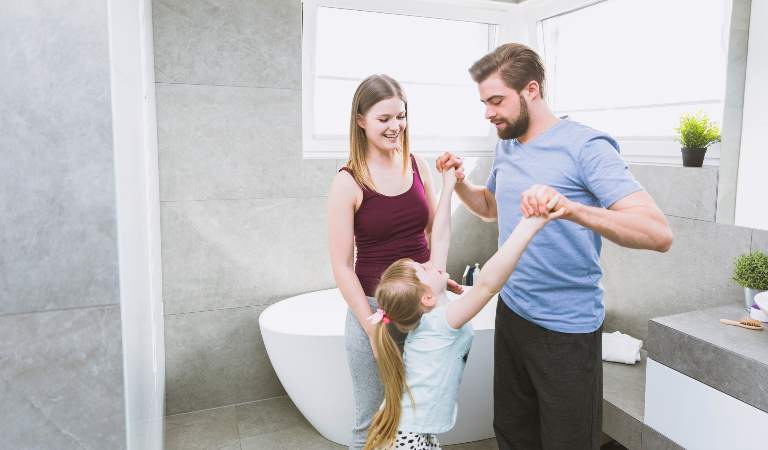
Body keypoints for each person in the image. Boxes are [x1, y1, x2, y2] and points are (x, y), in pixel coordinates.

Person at [437, 43, 674, 450]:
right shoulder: (507, 143)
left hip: (565, 329)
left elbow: (657, 233)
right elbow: (493, 208)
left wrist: (571, 210)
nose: (488, 113)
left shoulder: (586, 147)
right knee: (513, 434)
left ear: (531, 90)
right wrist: (460, 184)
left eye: (496, 101)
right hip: (512, 313)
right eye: (484, 102)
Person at [364, 168, 564, 450]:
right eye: (424, 268)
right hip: (407, 438)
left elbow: (441, 237)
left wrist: (448, 186)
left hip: (406, 429)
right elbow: (486, 286)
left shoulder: (432, 311)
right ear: (427, 298)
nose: (429, 263)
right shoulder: (442, 320)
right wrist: (528, 226)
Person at [327, 74, 462, 450]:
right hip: (375, 310)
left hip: (423, 308)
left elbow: (433, 231)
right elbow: (341, 265)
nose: (395, 127)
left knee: (421, 418)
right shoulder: (348, 182)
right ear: (360, 120)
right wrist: (371, 328)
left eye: (400, 117)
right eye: (383, 118)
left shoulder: (416, 164)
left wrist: (436, 279)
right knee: (371, 424)